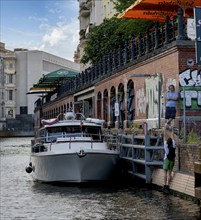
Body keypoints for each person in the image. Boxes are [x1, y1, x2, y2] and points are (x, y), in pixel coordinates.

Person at [163, 126, 176, 190]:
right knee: (170, 173)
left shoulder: (165, 144)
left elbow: (164, 136)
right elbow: (172, 135)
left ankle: (165, 184)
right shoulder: (173, 143)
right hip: (172, 160)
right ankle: (168, 184)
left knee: (165, 173)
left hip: (166, 159)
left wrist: (165, 128)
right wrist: (172, 128)